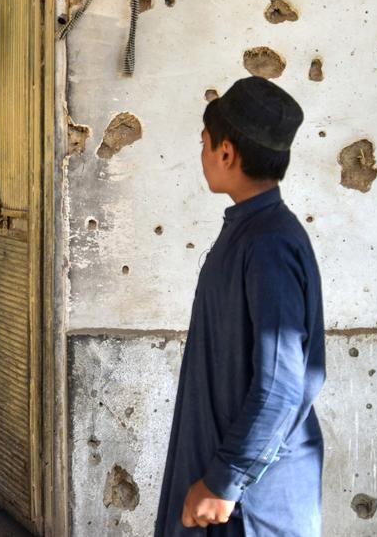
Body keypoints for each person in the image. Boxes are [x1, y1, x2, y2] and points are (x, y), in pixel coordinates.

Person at [155, 77, 327, 536]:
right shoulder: (253, 230)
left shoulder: (269, 243)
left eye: (204, 144)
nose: (202, 155)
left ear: (226, 152)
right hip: (227, 480)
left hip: (253, 504)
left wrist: (226, 480)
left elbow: (282, 385)